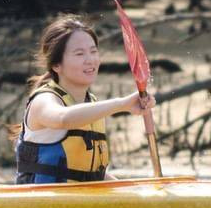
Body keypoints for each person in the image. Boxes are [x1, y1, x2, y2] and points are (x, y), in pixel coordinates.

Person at [13, 14, 152, 184]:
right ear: (57, 65)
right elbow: (63, 118)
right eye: (79, 54)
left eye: (93, 51)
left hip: (80, 204)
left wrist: (133, 192)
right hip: (41, 204)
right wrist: (122, 104)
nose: (90, 60)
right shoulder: (44, 100)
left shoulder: (91, 104)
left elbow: (91, 175)